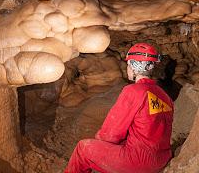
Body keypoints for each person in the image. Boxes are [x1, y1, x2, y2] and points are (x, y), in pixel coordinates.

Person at [64, 43, 174, 173]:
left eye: (128, 65)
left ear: (134, 67)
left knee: (83, 149)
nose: (127, 68)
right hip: (161, 159)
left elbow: (111, 133)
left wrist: (101, 144)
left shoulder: (133, 91)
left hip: (139, 161)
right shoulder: (165, 96)